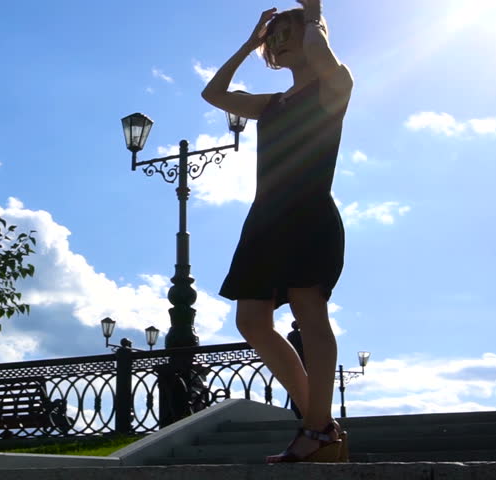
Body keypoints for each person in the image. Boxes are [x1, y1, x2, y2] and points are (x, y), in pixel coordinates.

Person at [201, 0, 352, 463]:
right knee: (250, 321)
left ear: (310, 38)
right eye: (276, 37)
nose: (280, 43)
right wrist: (250, 43)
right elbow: (214, 93)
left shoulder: (333, 87)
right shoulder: (269, 105)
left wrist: (313, 15)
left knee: (310, 312)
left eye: (289, 35)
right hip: (264, 220)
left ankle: (316, 432)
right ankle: (320, 425)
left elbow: (324, 56)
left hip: (307, 214)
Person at [286, 321, 305, 419]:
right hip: (304, 365)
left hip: (294, 366)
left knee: (295, 389)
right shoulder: (304, 336)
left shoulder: (291, 336)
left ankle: (298, 413)